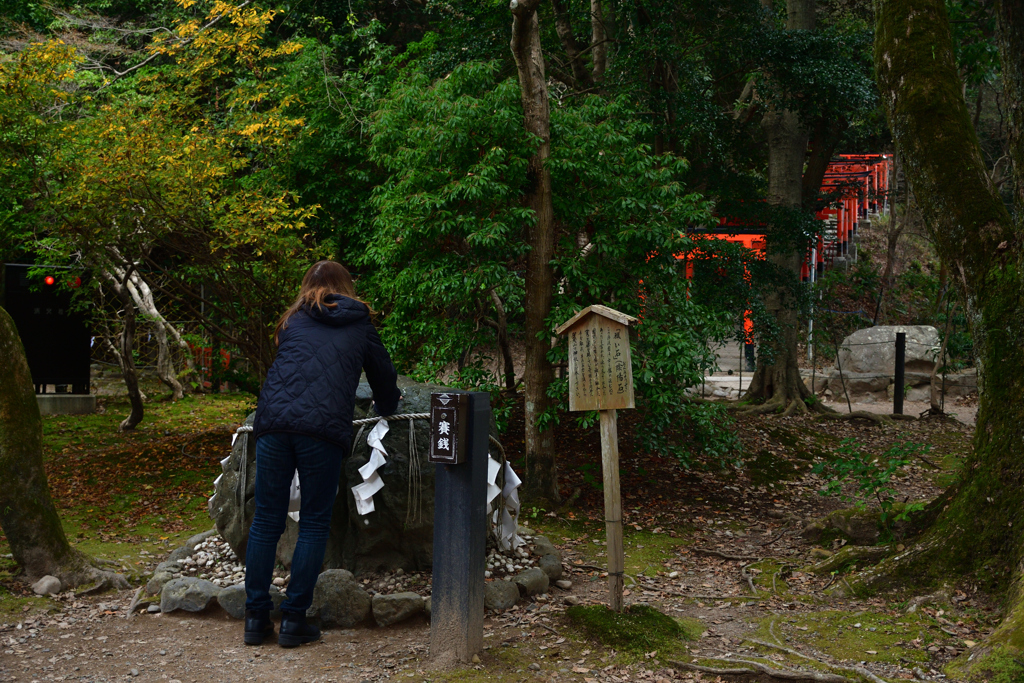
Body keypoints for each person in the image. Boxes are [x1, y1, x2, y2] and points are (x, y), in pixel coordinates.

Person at [244, 261, 401, 647]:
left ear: (306, 286)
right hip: (322, 430)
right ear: (345, 286)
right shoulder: (360, 323)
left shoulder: (291, 321)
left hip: (274, 425)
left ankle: (255, 619)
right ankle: (295, 620)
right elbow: (383, 377)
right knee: (314, 523)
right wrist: (387, 405)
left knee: (266, 520)